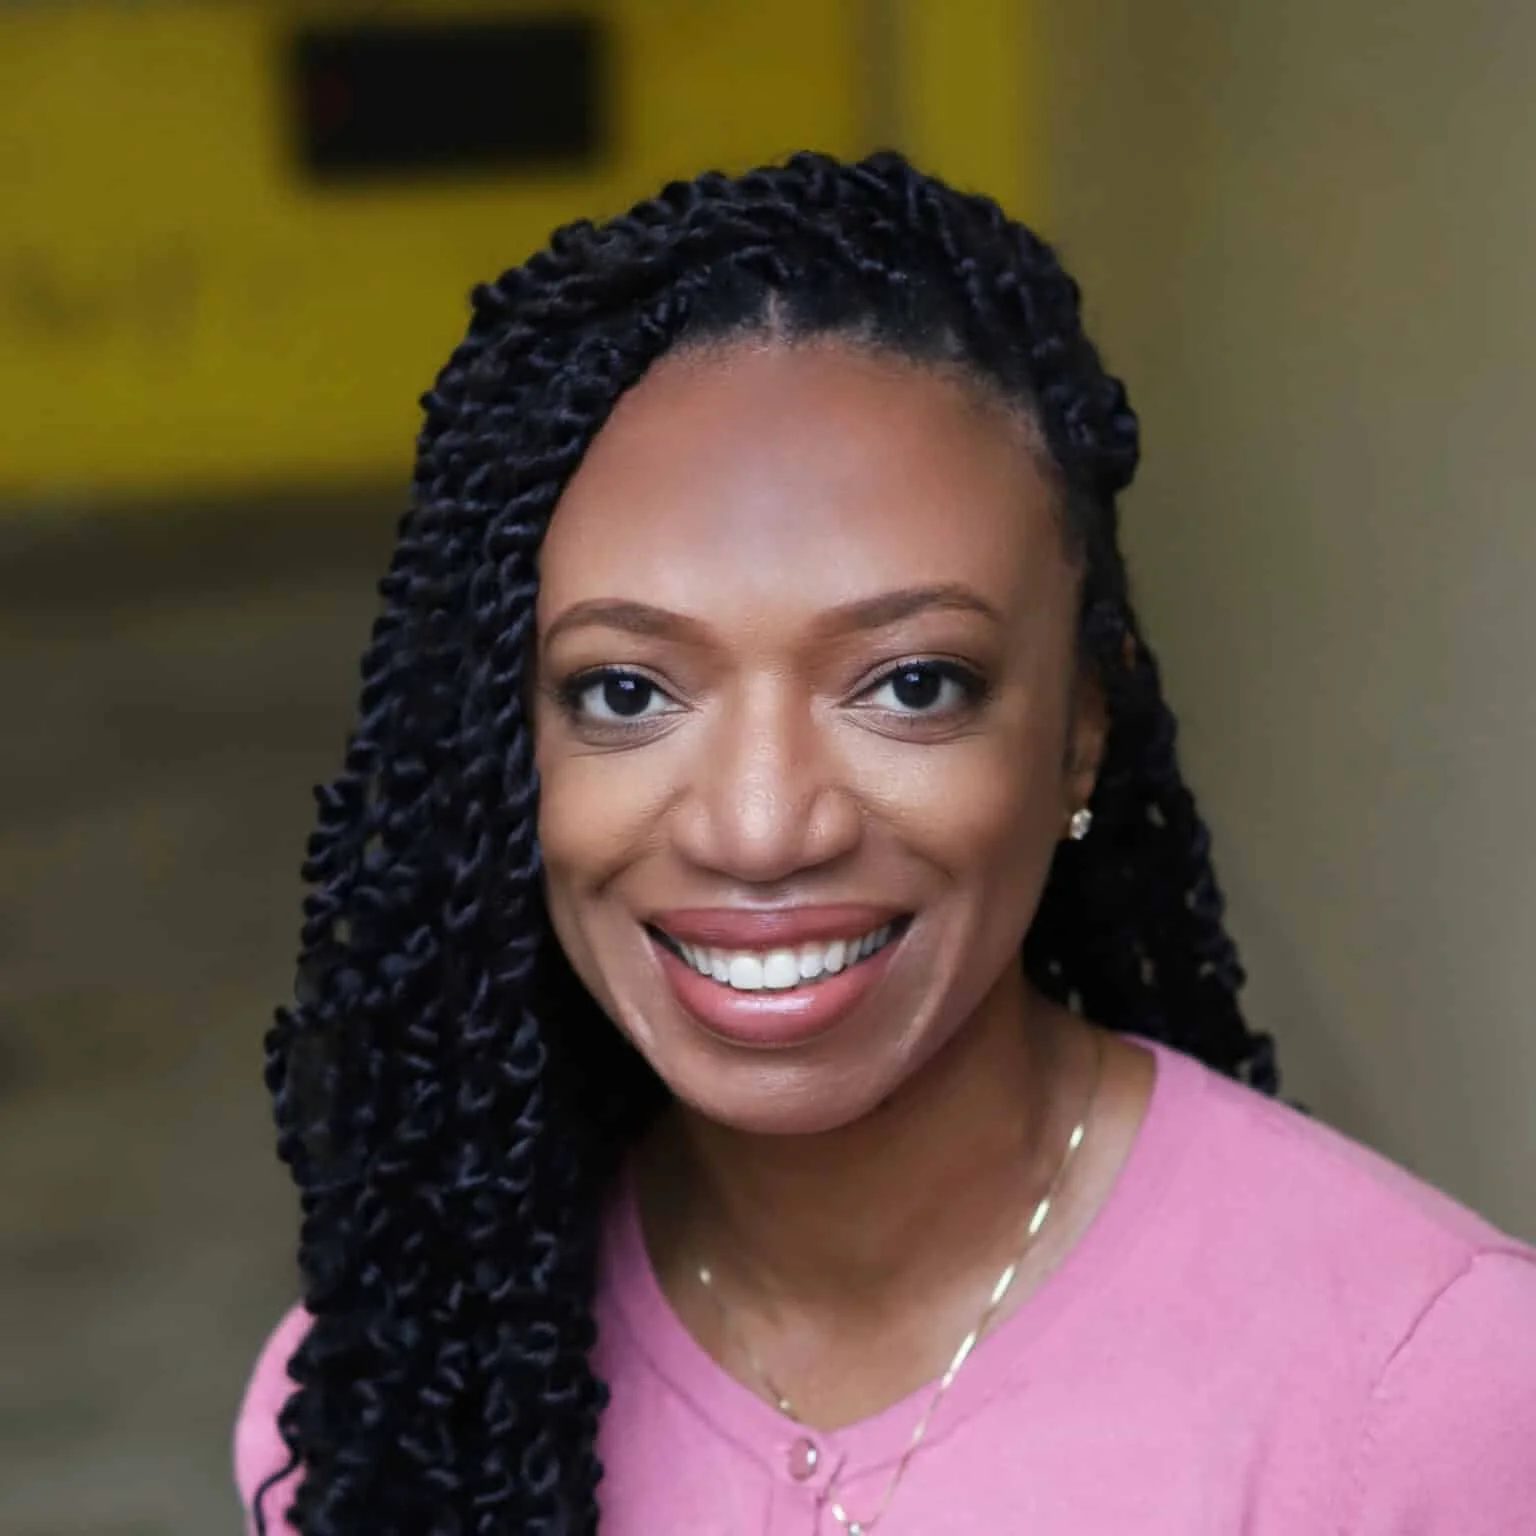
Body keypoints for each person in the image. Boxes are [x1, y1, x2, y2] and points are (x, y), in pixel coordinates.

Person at [235, 151, 1536, 1535]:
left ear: (1080, 732)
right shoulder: (390, 1402)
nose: (759, 826)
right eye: (626, 690)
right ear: (508, 754)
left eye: (912, 682)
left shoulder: (1431, 1390)